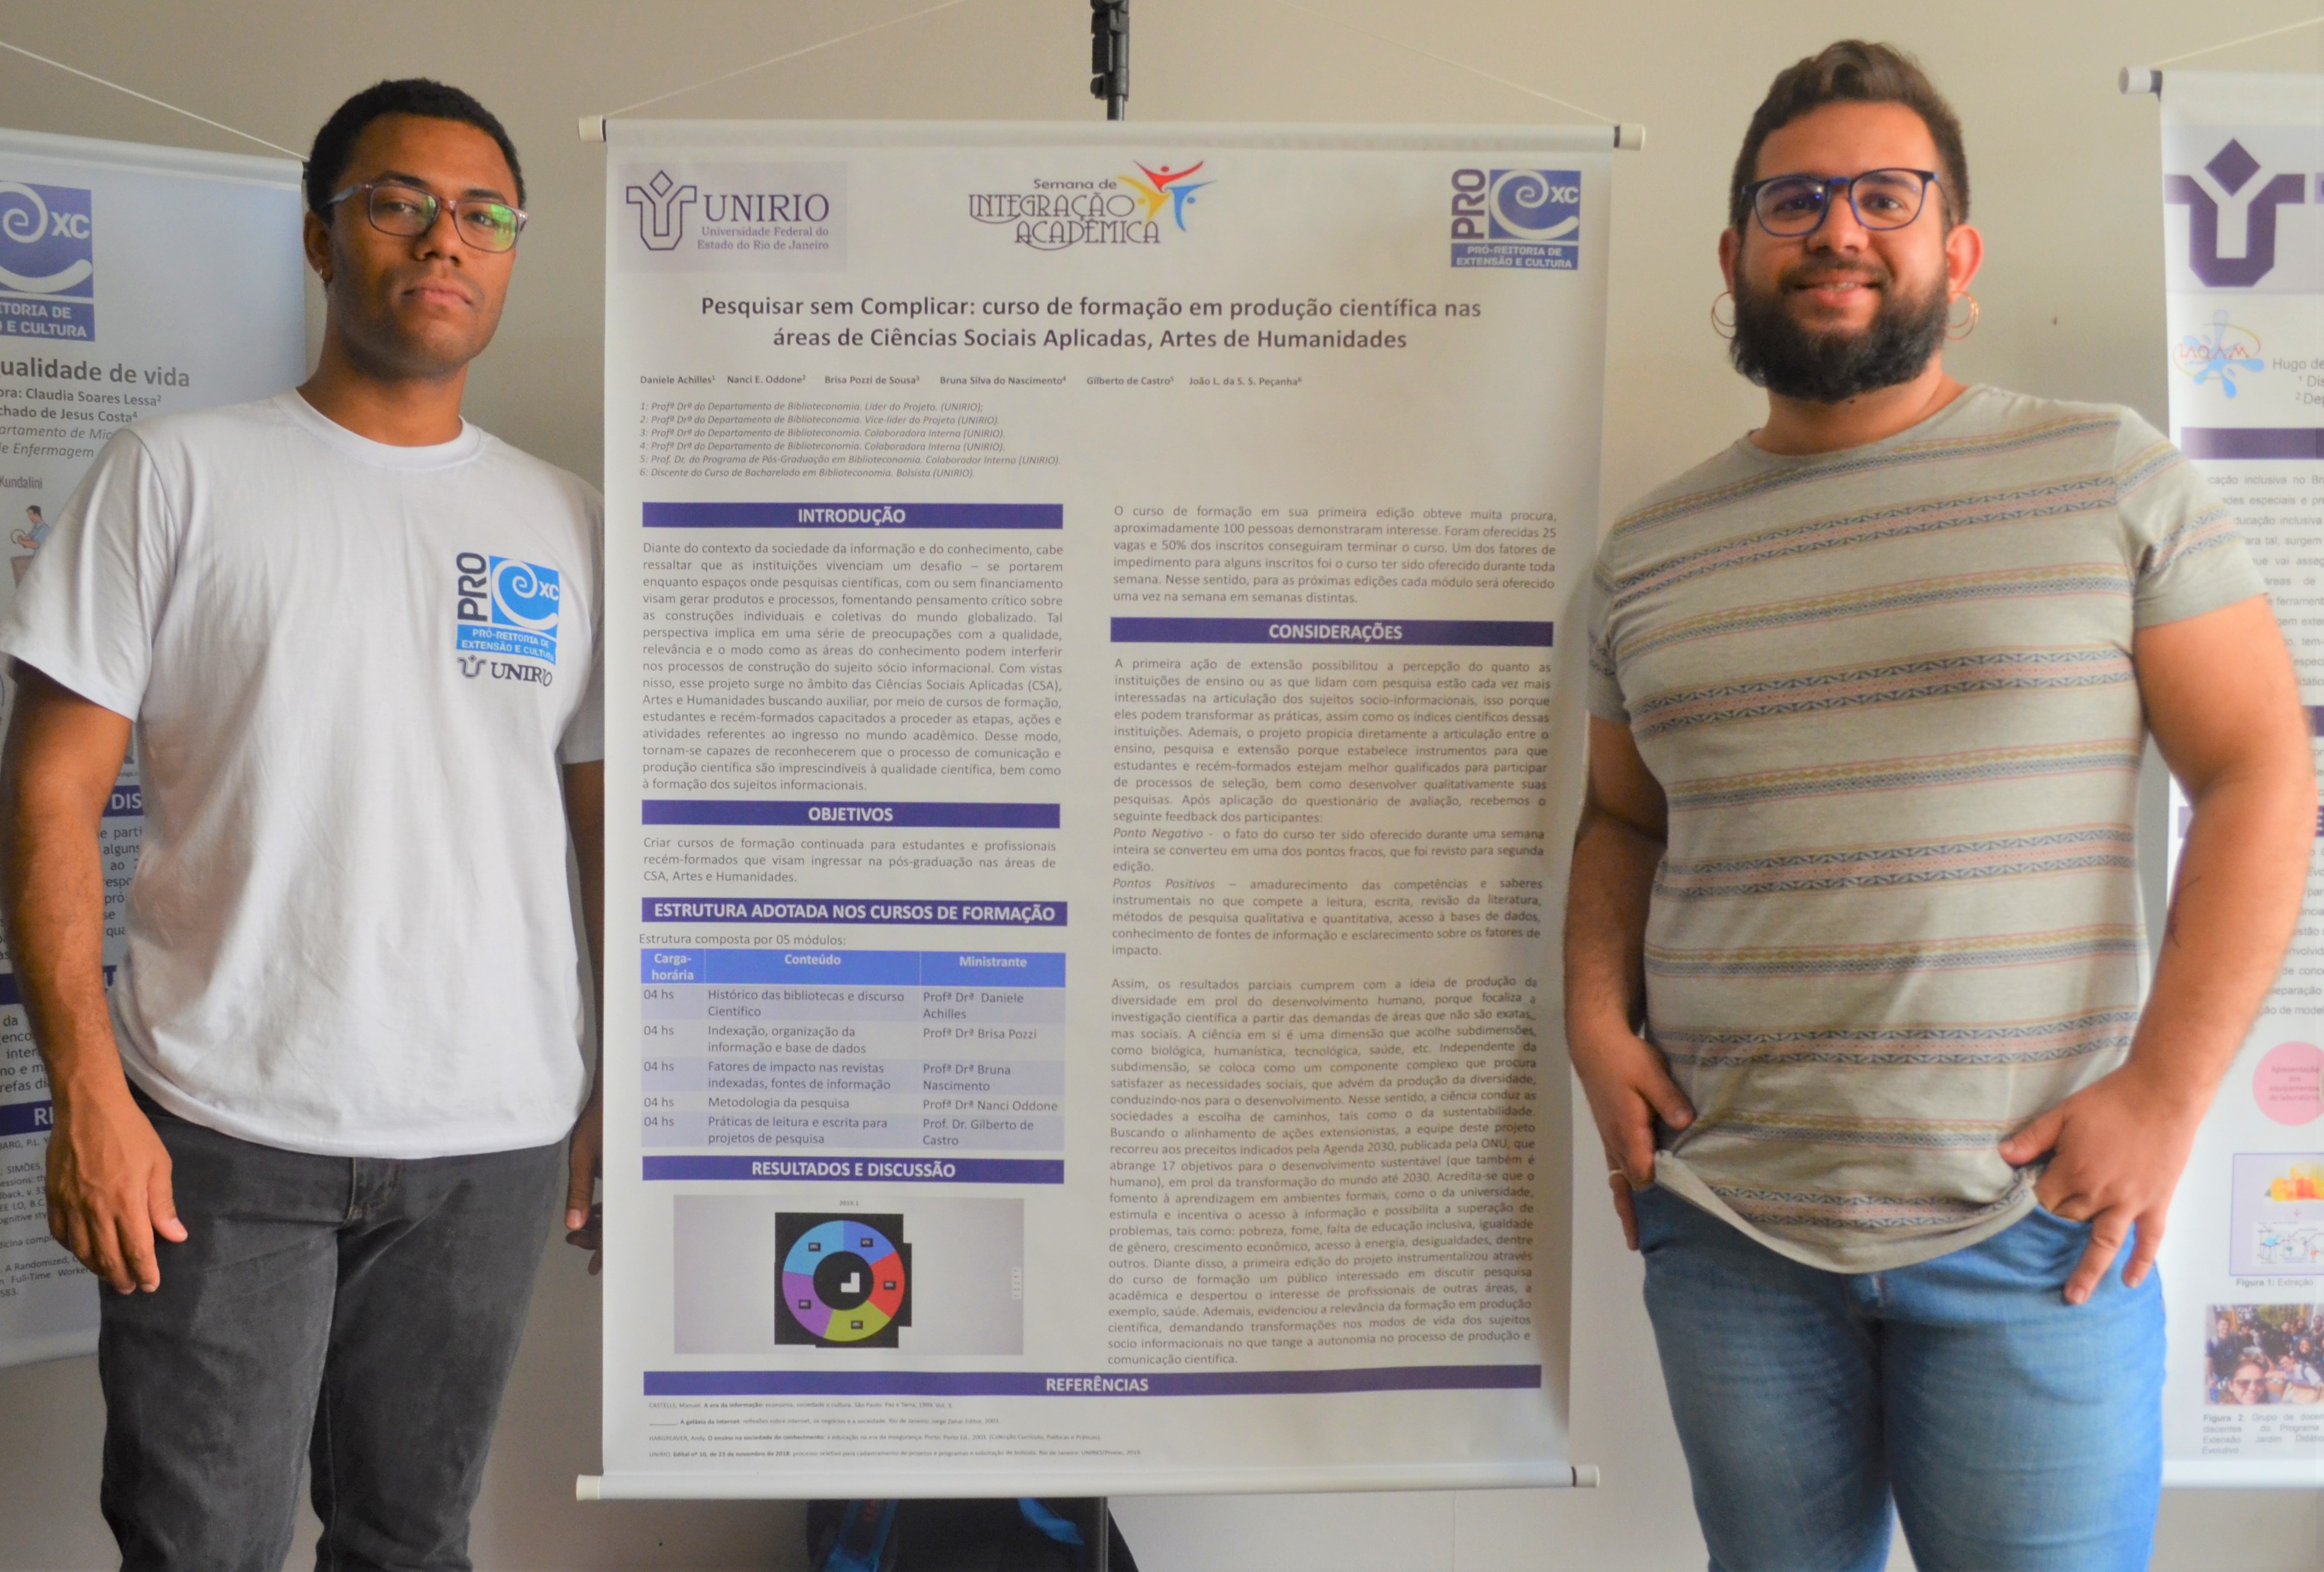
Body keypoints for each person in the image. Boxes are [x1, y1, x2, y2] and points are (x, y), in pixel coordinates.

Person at [1565, 40, 2315, 1572]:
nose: (1834, 230)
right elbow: (1621, 821)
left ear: (1954, 254)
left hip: (2032, 1228)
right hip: (1729, 1229)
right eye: (1792, 201)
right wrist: (1592, 1020)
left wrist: (2165, 1096)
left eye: (1883, 197)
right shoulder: (1646, 552)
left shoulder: (2107, 478)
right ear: (1733, 253)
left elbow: (2259, 770)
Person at [0, 79, 604, 1570]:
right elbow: (48, 793)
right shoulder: (175, 474)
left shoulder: (572, 523)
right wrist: (87, 1095)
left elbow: (606, 834)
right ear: (324, 239)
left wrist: (624, 1086)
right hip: (221, 1125)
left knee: (411, 1540)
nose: (444, 238)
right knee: (200, 1547)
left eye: (483, 214)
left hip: (490, 1134)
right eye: (400, 202)